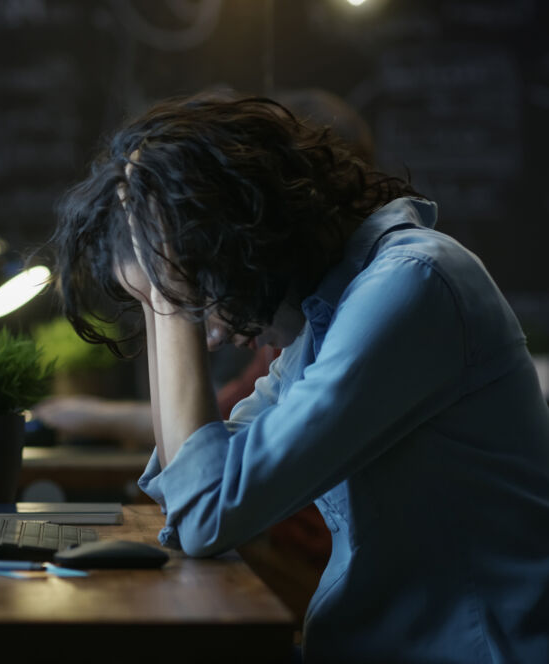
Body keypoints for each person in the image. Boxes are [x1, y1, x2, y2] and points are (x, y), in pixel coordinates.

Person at [50, 93, 549, 662]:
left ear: (248, 237)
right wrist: (155, 292)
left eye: (201, 293)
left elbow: (207, 514)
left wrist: (168, 300)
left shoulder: (412, 285)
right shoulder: (326, 317)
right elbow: (187, 484)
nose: (210, 335)